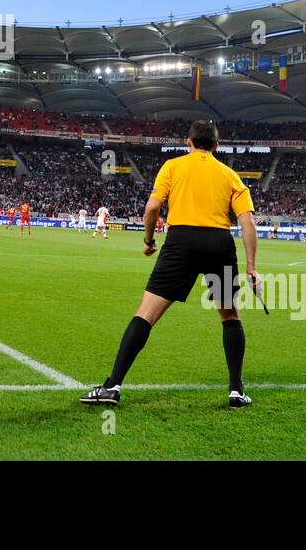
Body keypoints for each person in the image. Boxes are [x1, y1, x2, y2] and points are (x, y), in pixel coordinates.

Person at [80, 119, 260, 409]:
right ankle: (236, 391)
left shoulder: (173, 167)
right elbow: (247, 221)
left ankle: (112, 386)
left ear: (188, 143)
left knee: (146, 314)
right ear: (216, 146)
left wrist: (149, 241)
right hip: (219, 243)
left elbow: (152, 207)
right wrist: (251, 267)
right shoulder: (229, 175)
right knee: (230, 317)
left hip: (181, 241)